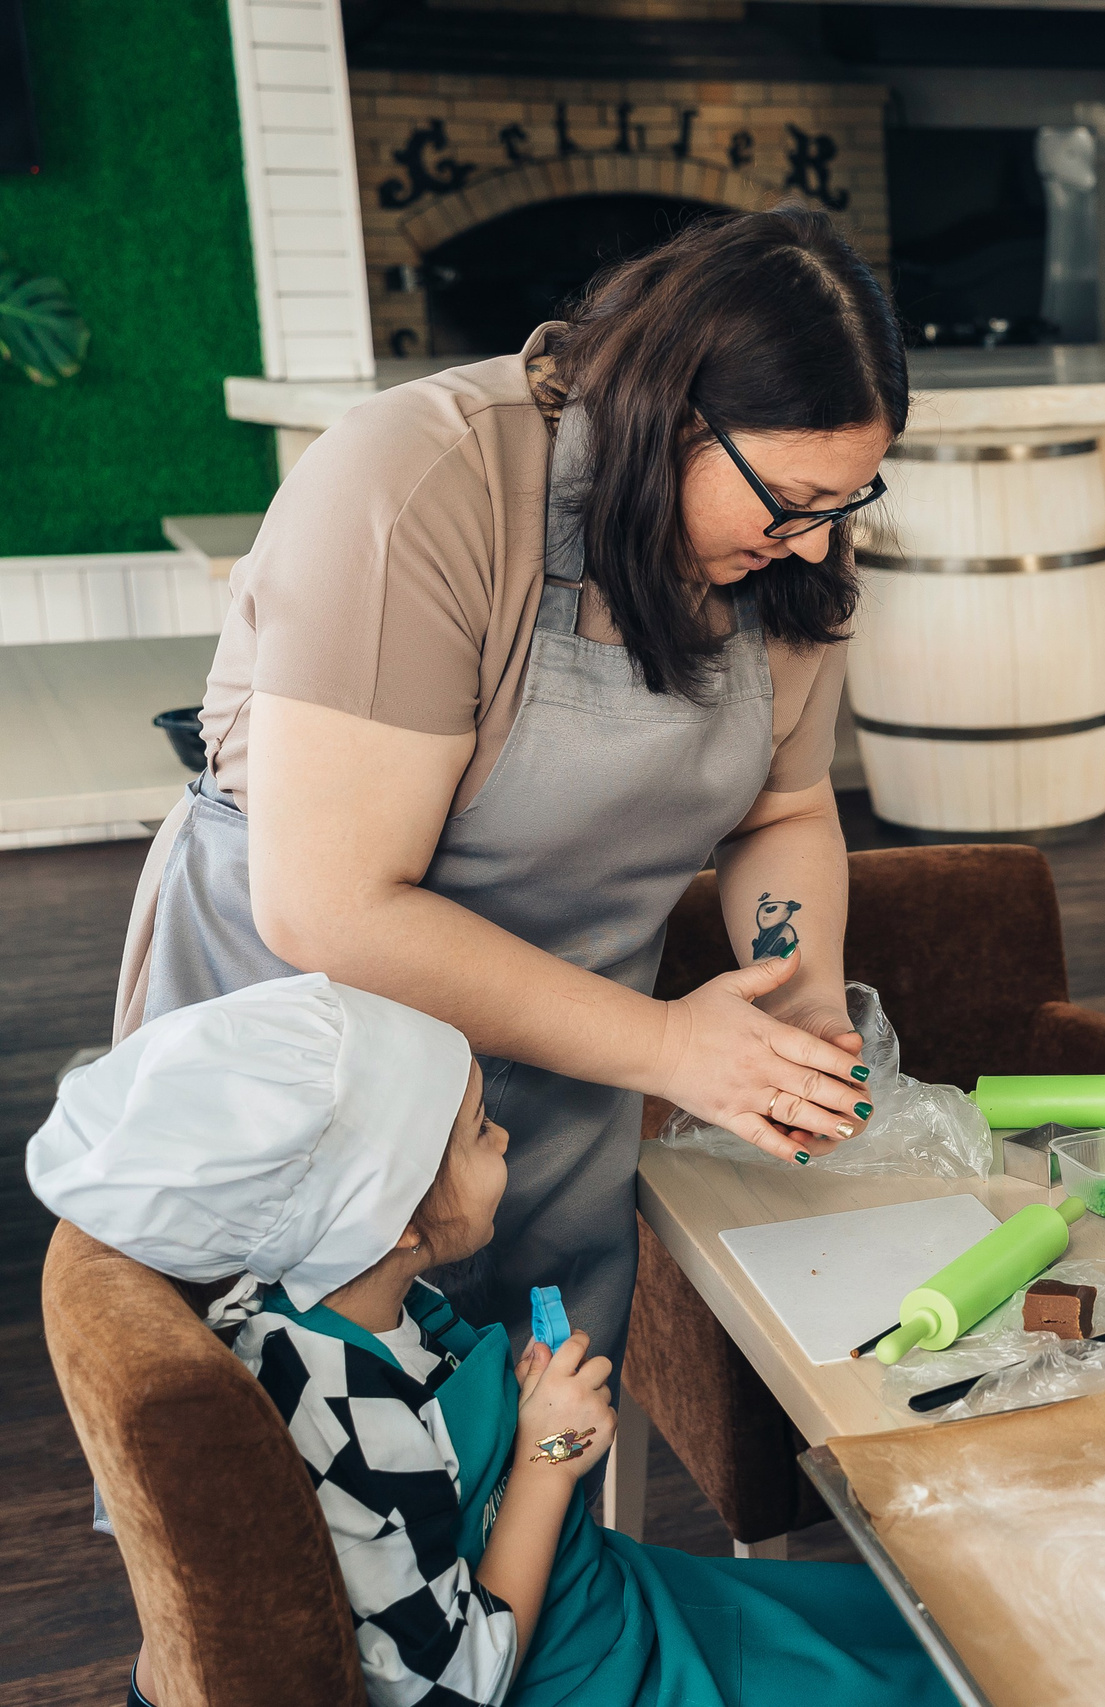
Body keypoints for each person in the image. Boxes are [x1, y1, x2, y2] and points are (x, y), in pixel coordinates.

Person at [112, 208, 905, 1366]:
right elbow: (331, 907)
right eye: (790, 502)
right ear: (668, 418)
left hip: (573, 1068)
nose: (816, 544)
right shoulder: (419, 479)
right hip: (310, 1063)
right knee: (303, 1427)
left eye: (845, 504)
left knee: (537, 1419)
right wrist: (672, 1049)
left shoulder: (790, 537)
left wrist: (802, 1007)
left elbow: (781, 808)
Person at [28, 975, 953, 1707]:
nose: (503, 1134)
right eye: (477, 1130)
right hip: (587, 1670)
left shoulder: (342, 1303)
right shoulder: (346, 1410)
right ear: (391, 1217)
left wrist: (524, 1413)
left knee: (920, 1624)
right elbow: (459, 1680)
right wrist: (549, 1455)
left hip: (609, 1596)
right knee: (939, 1667)